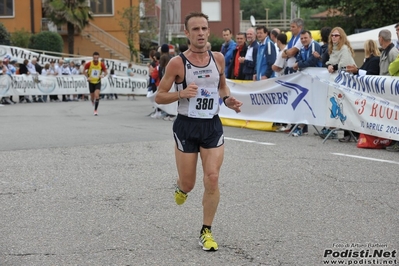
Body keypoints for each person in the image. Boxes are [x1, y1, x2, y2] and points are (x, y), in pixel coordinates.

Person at [154, 11, 242, 252]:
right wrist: (181, 94)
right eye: (195, 29)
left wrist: (228, 101)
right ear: (187, 33)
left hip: (211, 125)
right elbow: (159, 96)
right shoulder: (177, 63)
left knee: (212, 177)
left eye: (204, 28)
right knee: (189, 184)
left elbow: (221, 87)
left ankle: (206, 231)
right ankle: (181, 186)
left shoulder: (219, 58)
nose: (201, 33)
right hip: (186, 125)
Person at [343, 39, 381, 142]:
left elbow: (371, 74)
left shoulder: (375, 60)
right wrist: (356, 70)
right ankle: (352, 133)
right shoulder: (368, 60)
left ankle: (355, 133)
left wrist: (357, 70)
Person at [290, 30, 322, 137]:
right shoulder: (303, 48)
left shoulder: (315, 45)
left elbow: (311, 62)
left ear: (311, 37)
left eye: (305, 38)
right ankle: (302, 127)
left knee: (312, 103)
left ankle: (302, 127)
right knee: (305, 102)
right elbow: (298, 59)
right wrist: (298, 63)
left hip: (317, 80)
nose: (303, 40)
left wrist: (299, 64)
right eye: (302, 38)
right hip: (306, 79)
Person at [84, 52, 108, 116]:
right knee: (92, 97)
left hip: (97, 82)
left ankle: (95, 110)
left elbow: (106, 72)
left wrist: (102, 75)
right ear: (93, 57)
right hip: (91, 82)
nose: (96, 59)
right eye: (95, 57)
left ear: (98, 57)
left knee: (97, 95)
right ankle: (92, 100)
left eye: (97, 57)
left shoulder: (101, 64)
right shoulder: (89, 64)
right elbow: (84, 71)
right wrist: (87, 77)